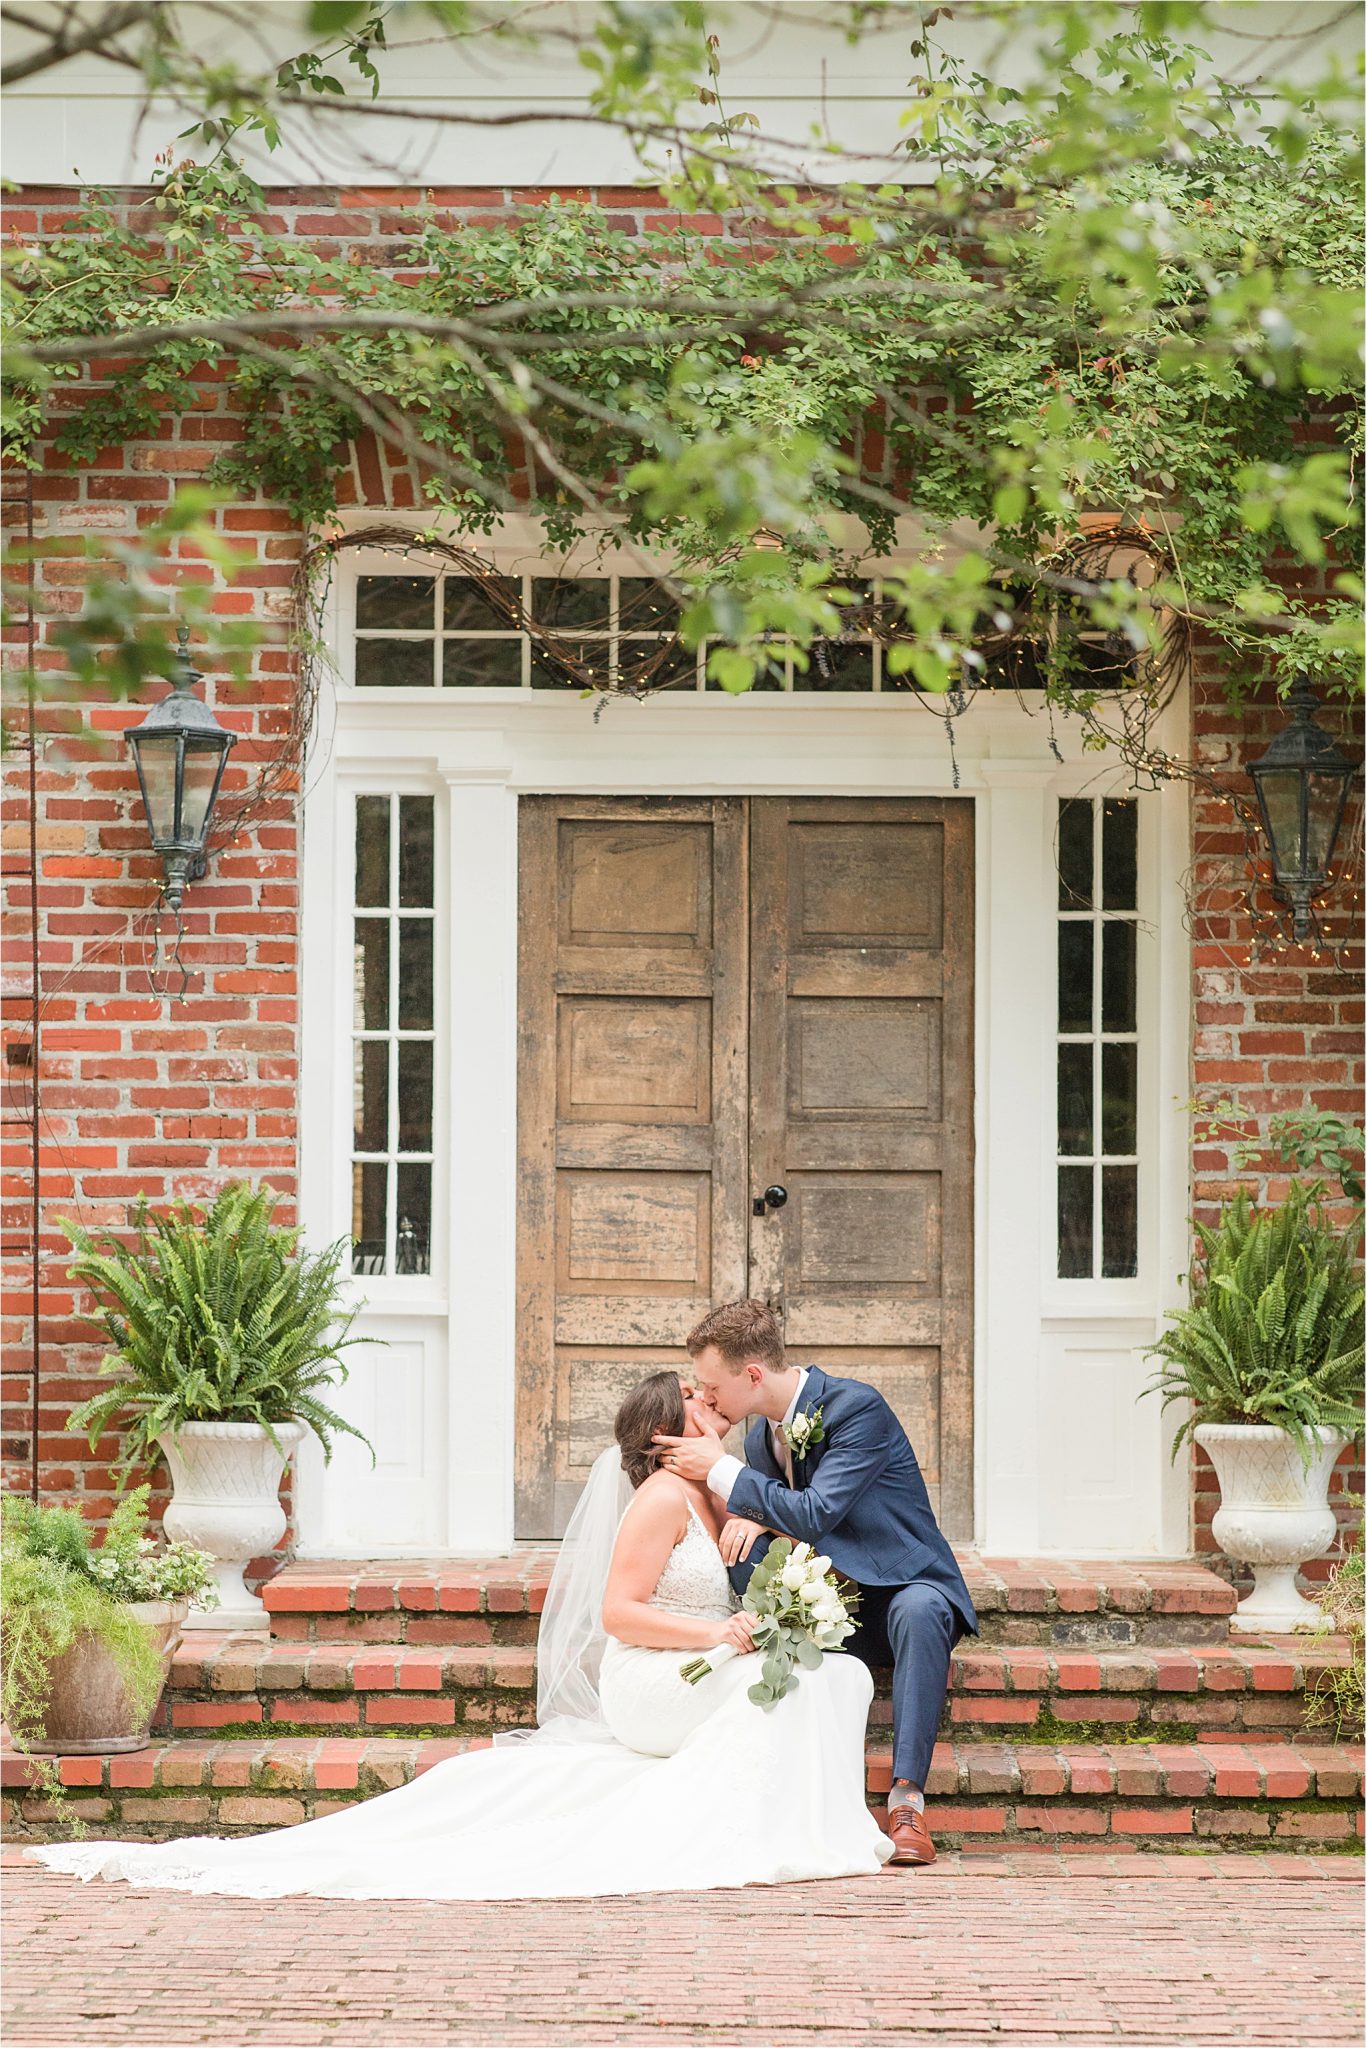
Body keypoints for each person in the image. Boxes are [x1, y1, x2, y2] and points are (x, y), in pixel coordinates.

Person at [28, 1372, 890, 1899]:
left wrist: (769, 1552)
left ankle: (802, 1828)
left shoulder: (720, 1494)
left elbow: (777, 1533)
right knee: (781, 1685)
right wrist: (723, 1639)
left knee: (832, 1675)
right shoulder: (663, 1499)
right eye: (701, 1404)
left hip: (702, 1662)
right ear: (672, 1433)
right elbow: (617, 1617)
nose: (716, 1408)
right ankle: (753, 1833)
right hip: (653, 1680)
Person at [653, 1299, 977, 1868]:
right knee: (743, 1550)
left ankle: (906, 1804)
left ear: (752, 1376)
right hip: (837, 1599)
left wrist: (722, 1471)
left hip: (903, 1581)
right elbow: (797, 1513)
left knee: (921, 1611)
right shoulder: (760, 1440)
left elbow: (819, 1510)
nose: (706, 1398)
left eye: (711, 1386)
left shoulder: (856, 1408)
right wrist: (758, 1511)